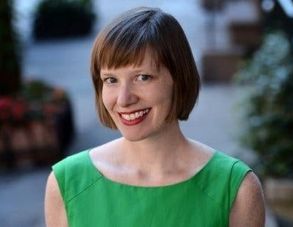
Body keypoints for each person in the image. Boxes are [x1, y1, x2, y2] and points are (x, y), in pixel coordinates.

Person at [44, 7, 265, 227]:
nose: (123, 99)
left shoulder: (236, 188)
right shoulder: (67, 184)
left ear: (179, 79)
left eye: (143, 77)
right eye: (111, 80)